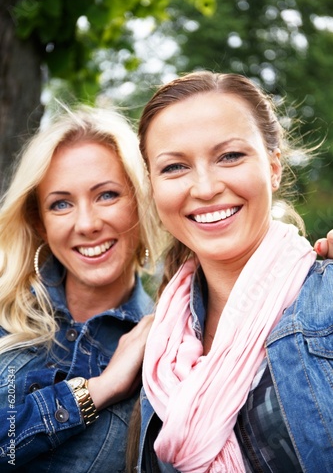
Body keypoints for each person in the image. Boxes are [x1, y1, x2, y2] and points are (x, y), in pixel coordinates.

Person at [135, 71, 333, 472]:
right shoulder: (158, 348)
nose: (205, 188)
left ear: (274, 167)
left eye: (230, 156)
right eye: (174, 167)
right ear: (153, 187)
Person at [0, 104, 163, 472]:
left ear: (140, 203)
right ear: (40, 223)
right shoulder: (3, 312)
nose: (87, 223)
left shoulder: (167, 347)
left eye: (107, 195)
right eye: (61, 204)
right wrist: (99, 391)